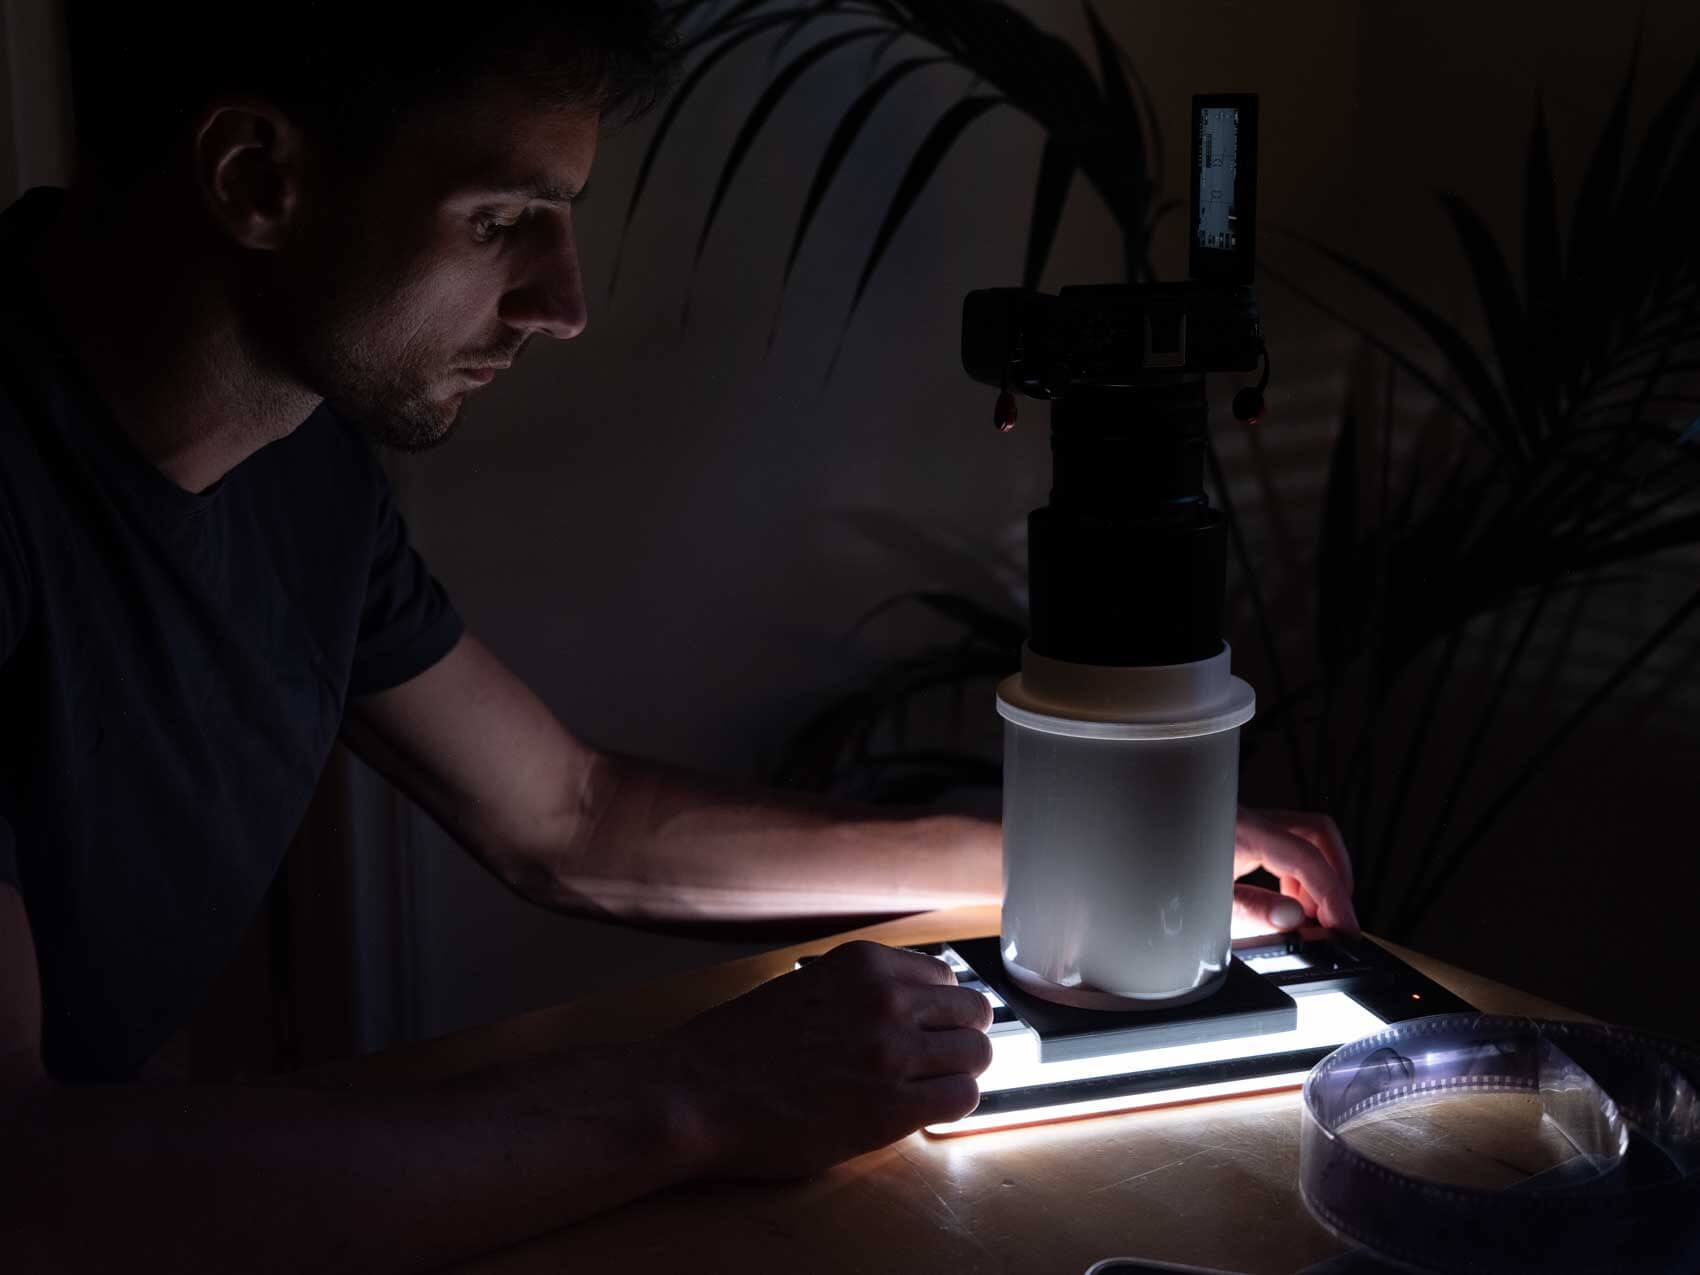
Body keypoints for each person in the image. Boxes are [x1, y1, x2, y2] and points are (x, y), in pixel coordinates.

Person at [0, 3, 1358, 1269]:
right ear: (256, 177)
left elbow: (572, 817)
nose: (563, 303)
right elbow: (25, 1178)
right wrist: (700, 1095)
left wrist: (1075, 871)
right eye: (501, 221)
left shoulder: (302, 469)